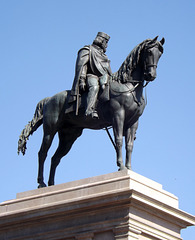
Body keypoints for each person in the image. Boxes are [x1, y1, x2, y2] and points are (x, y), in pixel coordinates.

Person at [69, 32, 112, 118]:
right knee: (94, 87)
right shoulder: (88, 50)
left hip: (103, 77)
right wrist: (81, 80)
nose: (106, 45)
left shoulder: (104, 56)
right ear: (101, 41)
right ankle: (89, 110)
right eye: (106, 42)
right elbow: (82, 67)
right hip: (91, 76)